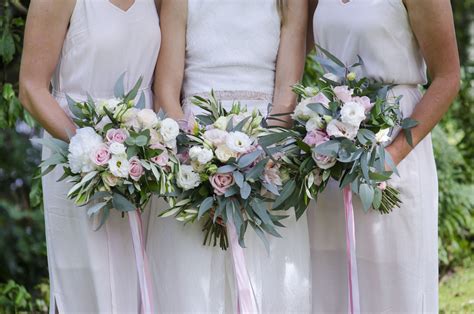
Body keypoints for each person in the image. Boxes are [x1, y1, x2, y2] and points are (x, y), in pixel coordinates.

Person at [147, 0, 311, 312]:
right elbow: (167, 91)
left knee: (268, 272)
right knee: (193, 279)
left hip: (267, 148)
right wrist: (194, 159)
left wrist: (262, 157)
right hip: (194, 146)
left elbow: (287, 92)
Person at [307, 0, 460, 312]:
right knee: (331, 277)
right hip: (332, 141)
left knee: (395, 281)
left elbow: (448, 77)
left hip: (394, 135)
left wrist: (392, 155)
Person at [19, 0, 161, 312]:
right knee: (86, 280)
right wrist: (91, 150)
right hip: (77, 155)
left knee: (140, 279)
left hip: (142, 158)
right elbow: (31, 88)